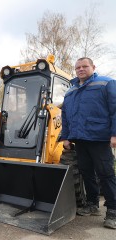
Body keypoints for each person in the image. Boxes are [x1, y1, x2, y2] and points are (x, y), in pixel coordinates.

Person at [61, 57, 116, 229]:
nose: (81, 69)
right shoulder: (70, 91)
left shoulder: (106, 84)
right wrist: (66, 137)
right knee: (86, 173)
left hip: (99, 138)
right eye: (78, 67)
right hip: (80, 139)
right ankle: (92, 204)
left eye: (85, 66)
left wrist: (114, 134)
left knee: (105, 174)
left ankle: (113, 211)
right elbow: (66, 116)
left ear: (93, 67)